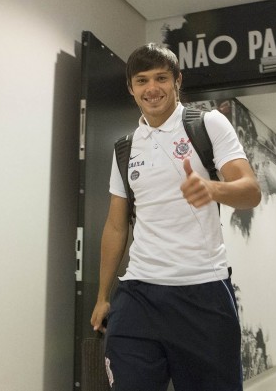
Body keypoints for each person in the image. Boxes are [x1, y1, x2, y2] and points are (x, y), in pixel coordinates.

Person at [90, 43, 261, 391]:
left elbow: (250, 191)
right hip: (138, 292)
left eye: (161, 78)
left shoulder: (207, 124)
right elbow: (115, 225)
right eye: (141, 81)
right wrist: (103, 295)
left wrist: (213, 190)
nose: (152, 89)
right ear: (131, 88)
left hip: (203, 292)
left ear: (177, 80)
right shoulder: (125, 147)